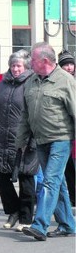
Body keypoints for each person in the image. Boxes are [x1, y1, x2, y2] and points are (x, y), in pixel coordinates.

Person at [18, 42, 75, 241]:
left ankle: (39, 225)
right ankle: (68, 224)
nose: (29, 63)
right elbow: (26, 114)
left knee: (50, 181)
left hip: (61, 138)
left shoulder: (65, 80)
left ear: (44, 61)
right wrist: (21, 140)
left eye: (32, 60)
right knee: (58, 184)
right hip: (40, 139)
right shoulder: (32, 81)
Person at [0, 50, 37, 231]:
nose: (15, 69)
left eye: (19, 66)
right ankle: (13, 210)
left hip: (23, 139)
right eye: (13, 65)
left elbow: (34, 112)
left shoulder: (31, 83)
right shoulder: (2, 84)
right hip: (2, 138)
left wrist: (33, 139)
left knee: (26, 178)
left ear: (26, 67)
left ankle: (26, 218)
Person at [57, 49, 75, 207]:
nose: (69, 67)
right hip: (63, 131)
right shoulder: (57, 82)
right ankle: (72, 197)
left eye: (71, 64)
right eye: (65, 65)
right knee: (68, 167)